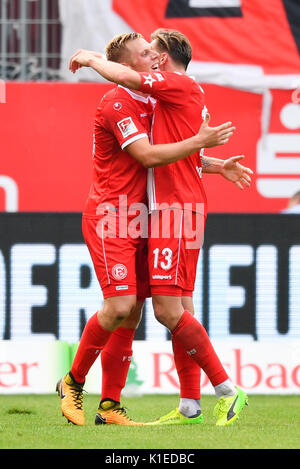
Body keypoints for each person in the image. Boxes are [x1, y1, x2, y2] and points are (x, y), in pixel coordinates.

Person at [69, 29, 252, 427]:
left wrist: (90, 59)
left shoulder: (173, 85)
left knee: (165, 310)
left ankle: (226, 389)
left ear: (165, 59)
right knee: (168, 307)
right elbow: (178, 149)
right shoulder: (157, 100)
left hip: (173, 212)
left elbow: (150, 154)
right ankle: (189, 405)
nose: (151, 55)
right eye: (144, 51)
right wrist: (217, 164)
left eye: (154, 50)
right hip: (159, 210)